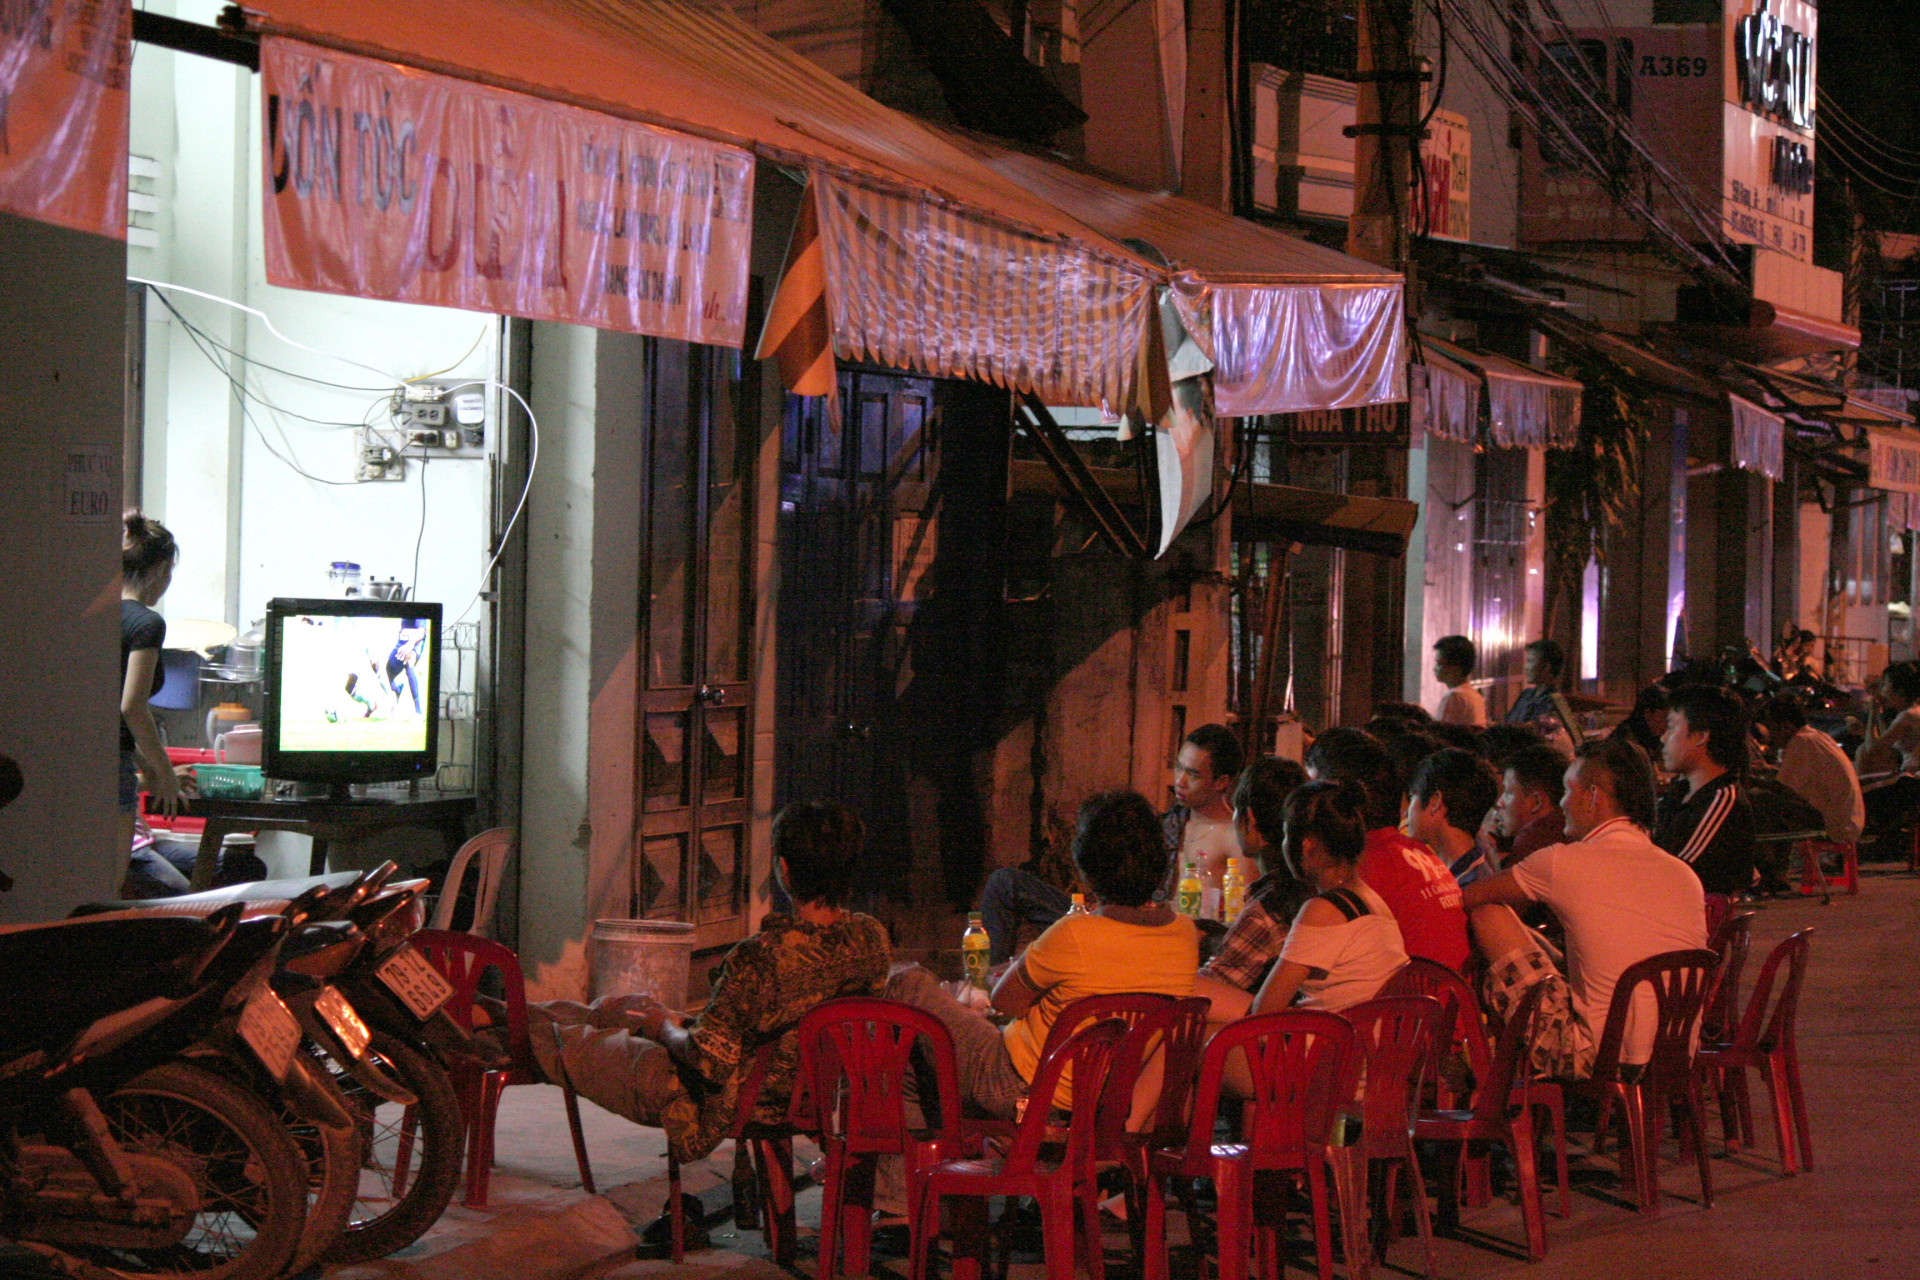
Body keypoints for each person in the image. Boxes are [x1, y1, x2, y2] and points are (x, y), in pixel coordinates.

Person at [524, 801, 891, 1168]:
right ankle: (499, 1012)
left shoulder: (762, 957)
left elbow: (708, 1061)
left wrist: (663, 1026)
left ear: (784, 870)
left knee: (571, 1041)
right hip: (809, 1093)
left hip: (725, 1097)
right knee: (613, 1009)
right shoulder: (870, 939)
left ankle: (490, 1019)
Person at [888, 790, 1199, 1117]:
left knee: (907, 984)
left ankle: (901, 1152)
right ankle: (928, 1142)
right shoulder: (1184, 933)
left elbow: (1005, 1001)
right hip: (1094, 1099)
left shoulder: (1074, 933)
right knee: (918, 1058)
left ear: (1086, 866)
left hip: (1019, 1085)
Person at [1461, 736, 1705, 1079]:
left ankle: (1480, 1059)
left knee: (1491, 913)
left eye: (1566, 790)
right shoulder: (1682, 873)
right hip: (1676, 1053)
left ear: (1592, 796)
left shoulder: (1563, 862)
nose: (1561, 803)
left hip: (1600, 1057)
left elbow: (1471, 897)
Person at [976, 723, 1240, 961]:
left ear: (1221, 782)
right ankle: (988, 984)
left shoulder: (1233, 836)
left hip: (1158, 937)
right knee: (1006, 883)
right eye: (1179, 767)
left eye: (1193, 774)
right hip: (1118, 917)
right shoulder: (1167, 822)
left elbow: (1235, 923)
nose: (1179, 781)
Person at [1304, 728, 1470, 971]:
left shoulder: (1362, 864)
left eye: (1311, 790)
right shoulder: (1418, 853)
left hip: (1406, 1005)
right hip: (1446, 1003)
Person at [1248, 780, 1408, 1015]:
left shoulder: (1323, 910)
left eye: (1285, 834)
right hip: (1368, 1042)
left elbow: (1263, 1012)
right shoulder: (1372, 901)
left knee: (1207, 1029)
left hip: (1329, 1046)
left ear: (1306, 845)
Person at [1193, 757, 1313, 1022]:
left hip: (1271, 1046)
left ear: (1250, 820)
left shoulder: (1270, 909)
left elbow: (1209, 988)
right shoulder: (1314, 888)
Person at [118, 511, 188, 865]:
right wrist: (164, 775)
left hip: (82, 761)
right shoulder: (147, 623)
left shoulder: (100, 612)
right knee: (110, 880)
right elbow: (131, 707)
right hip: (114, 765)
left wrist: (154, 771)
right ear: (161, 570)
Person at [1653, 685, 1757, 896]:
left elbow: (1678, 872)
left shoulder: (1721, 801)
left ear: (1701, 736)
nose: (1663, 738)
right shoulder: (1679, 794)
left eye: (1671, 728)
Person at [1758, 695, 1864, 845]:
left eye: (1772, 729)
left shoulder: (1802, 741)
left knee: (1760, 802)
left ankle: (1770, 864)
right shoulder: (1817, 737)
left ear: (1785, 727)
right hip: (1848, 821)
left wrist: (1752, 781)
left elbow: (1784, 789)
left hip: (1836, 826)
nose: (1771, 738)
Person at [1405, 749, 1502, 887]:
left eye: (1412, 798)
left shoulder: (1470, 891)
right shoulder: (1469, 872)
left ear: (1435, 802)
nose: (1406, 813)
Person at [1855, 660, 1920, 840]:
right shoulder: (1913, 713)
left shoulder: (1908, 716)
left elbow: (1873, 750)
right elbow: (1888, 743)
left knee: (1854, 791)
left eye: (1885, 683)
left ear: (1899, 690)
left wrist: (1873, 712)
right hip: (1910, 778)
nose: (1882, 688)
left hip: (1911, 782)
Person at [1493, 743, 1570, 863]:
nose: (1499, 803)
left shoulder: (1535, 840)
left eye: (1508, 793)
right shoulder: (1570, 830)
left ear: (1536, 802)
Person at [1505, 640, 1565, 728]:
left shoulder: (1553, 702)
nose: (1526, 667)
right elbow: (1508, 722)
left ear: (1547, 667)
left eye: (1530, 661)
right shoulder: (1526, 694)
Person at [1431, 635, 1488, 727]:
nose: (1434, 668)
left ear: (1456, 668)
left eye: (1439, 663)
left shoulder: (1455, 696)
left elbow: (1440, 734)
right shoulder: (1474, 695)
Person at [1611, 684, 1669, 761]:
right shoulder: (1626, 744)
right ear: (1648, 714)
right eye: (1665, 717)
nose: (1668, 725)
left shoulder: (1651, 738)